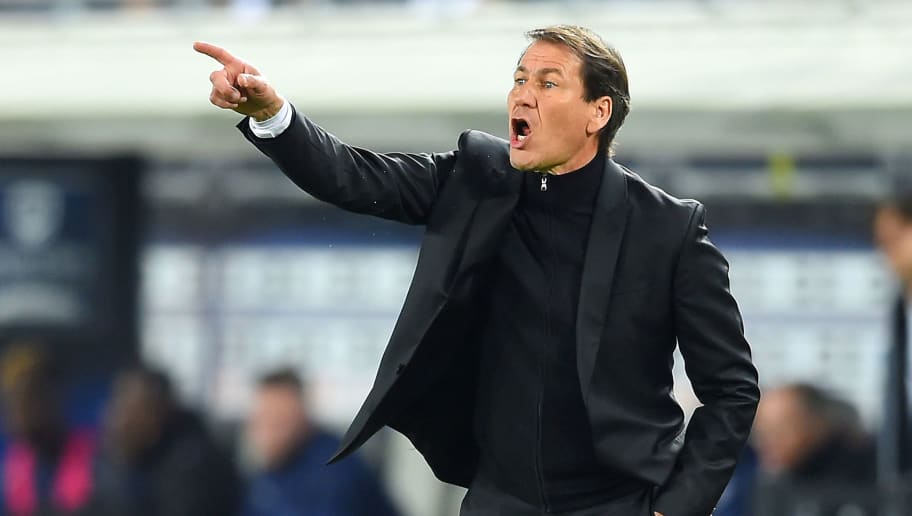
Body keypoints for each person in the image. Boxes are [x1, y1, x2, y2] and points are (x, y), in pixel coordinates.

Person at [195, 24, 760, 516]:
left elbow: (731, 390)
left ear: (599, 112)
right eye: (519, 79)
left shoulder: (669, 228)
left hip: (617, 501)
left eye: (548, 83)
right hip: (499, 500)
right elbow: (354, 176)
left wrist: (676, 508)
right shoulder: (477, 180)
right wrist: (272, 115)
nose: (524, 94)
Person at [244, 369, 400, 516]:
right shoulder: (272, 471)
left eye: (277, 422)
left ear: (302, 417)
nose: (266, 434)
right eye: (260, 421)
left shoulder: (336, 467)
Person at [91, 366, 241, 516]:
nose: (121, 422)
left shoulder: (193, 465)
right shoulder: (116, 457)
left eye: (135, 410)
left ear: (163, 412)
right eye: (119, 406)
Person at [751, 383, 876, 516]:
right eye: (761, 433)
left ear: (815, 424)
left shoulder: (867, 471)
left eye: (779, 431)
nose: (766, 443)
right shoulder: (769, 484)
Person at [0, 346, 95, 516]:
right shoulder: (14, 464)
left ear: (55, 396)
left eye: (27, 397)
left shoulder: (96, 457)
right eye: (10, 400)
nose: (18, 410)